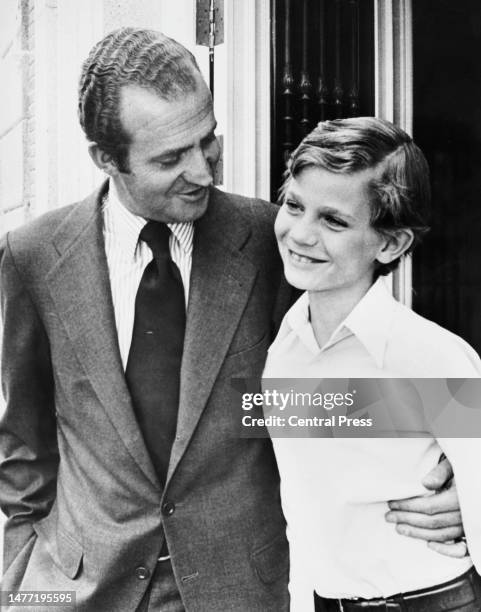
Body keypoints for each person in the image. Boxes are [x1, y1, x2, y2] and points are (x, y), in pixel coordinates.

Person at [0, 28, 466, 612]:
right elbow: (24, 446)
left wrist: (445, 476)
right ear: (106, 158)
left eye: (208, 139)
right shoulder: (33, 256)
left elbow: (310, 397)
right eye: (171, 158)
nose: (204, 171)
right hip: (76, 591)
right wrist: (22, 589)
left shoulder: (281, 244)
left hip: (240, 591)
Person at [264, 116, 481, 611]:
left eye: (333, 221)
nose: (300, 234)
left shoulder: (434, 357)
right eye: (295, 205)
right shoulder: (284, 351)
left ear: (391, 243)